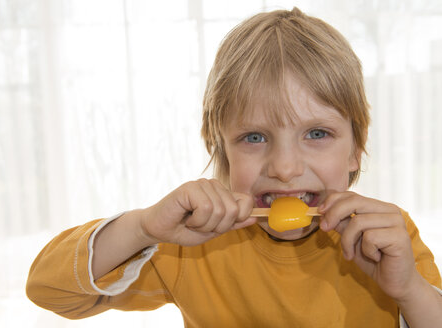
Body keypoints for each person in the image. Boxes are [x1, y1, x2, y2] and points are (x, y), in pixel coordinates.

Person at [26, 7, 442, 327]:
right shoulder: (192, 245)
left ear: (356, 150)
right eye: (254, 138)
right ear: (222, 155)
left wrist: (409, 290)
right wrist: (144, 228)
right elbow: (49, 290)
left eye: (316, 133)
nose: (283, 167)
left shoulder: (387, 237)